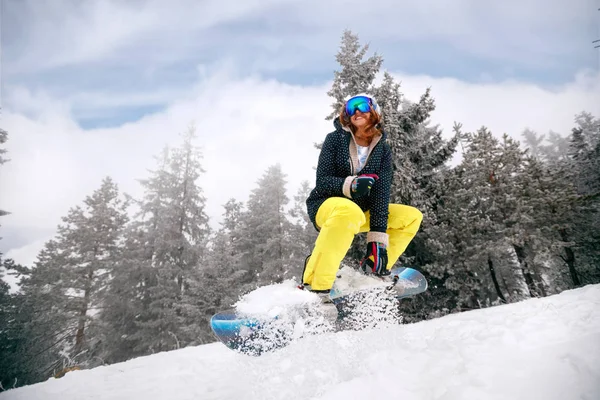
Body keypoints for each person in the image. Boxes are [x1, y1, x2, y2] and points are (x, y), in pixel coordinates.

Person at [301, 93, 423, 304]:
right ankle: (316, 285)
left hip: (361, 211)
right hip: (326, 205)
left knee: (411, 217)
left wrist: (377, 241)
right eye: (350, 108)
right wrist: (350, 184)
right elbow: (322, 181)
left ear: (374, 111)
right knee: (348, 211)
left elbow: (381, 193)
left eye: (362, 106)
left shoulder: (382, 149)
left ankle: (373, 271)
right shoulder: (335, 139)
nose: (356, 111)